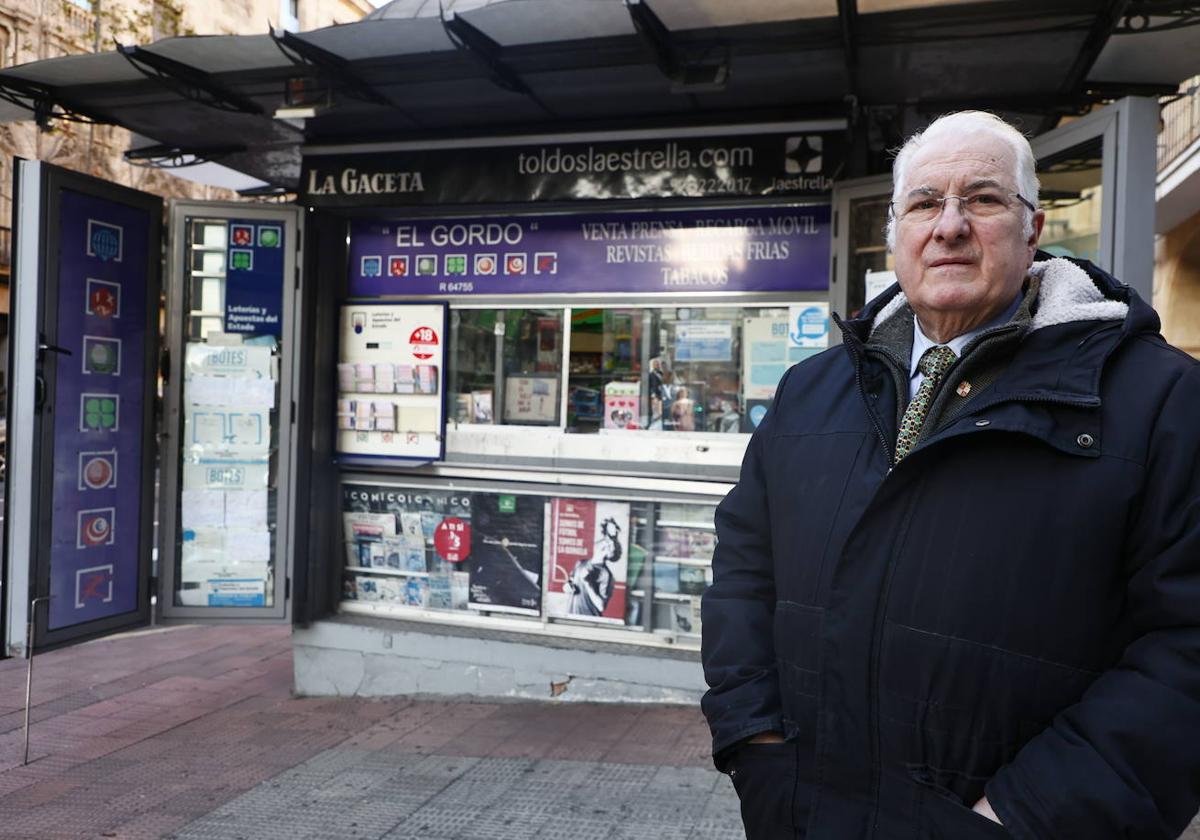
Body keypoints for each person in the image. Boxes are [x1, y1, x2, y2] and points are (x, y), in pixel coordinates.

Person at [701, 111, 1200, 840]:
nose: (951, 225)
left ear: (1033, 230)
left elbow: (1186, 648)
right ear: (896, 230)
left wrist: (1022, 817)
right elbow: (744, 570)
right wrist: (757, 748)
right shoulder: (811, 390)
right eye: (926, 202)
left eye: (985, 199)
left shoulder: (1159, 400)